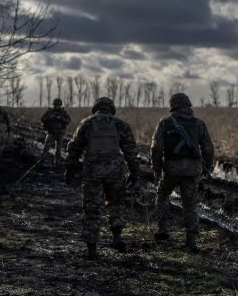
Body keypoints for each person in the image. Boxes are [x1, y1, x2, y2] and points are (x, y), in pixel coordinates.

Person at [65, 96, 140, 259]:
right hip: (115, 173)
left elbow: (74, 148)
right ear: (111, 109)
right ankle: (117, 237)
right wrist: (135, 172)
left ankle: (92, 249)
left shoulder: (87, 123)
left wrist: (69, 169)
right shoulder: (121, 125)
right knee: (116, 204)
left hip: (92, 172)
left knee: (92, 208)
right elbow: (131, 152)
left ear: (96, 108)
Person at [151, 92, 214, 252]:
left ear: (173, 106)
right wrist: (207, 167)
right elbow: (208, 148)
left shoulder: (165, 123)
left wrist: (157, 168)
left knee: (162, 196)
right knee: (190, 205)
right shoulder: (199, 124)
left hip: (170, 169)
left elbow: (156, 148)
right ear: (188, 105)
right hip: (192, 171)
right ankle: (191, 240)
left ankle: (162, 230)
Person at [40, 98, 71, 167]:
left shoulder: (63, 112)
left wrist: (60, 118)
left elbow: (68, 120)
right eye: (56, 105)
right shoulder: (49, 112)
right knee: (46, 148)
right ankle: (42, 161)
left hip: (60, 133)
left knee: (58, 150)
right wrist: (51, 118)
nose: (57, 106)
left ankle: (57, 163)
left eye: (58, 105)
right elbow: (43, 119)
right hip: (51, 132)